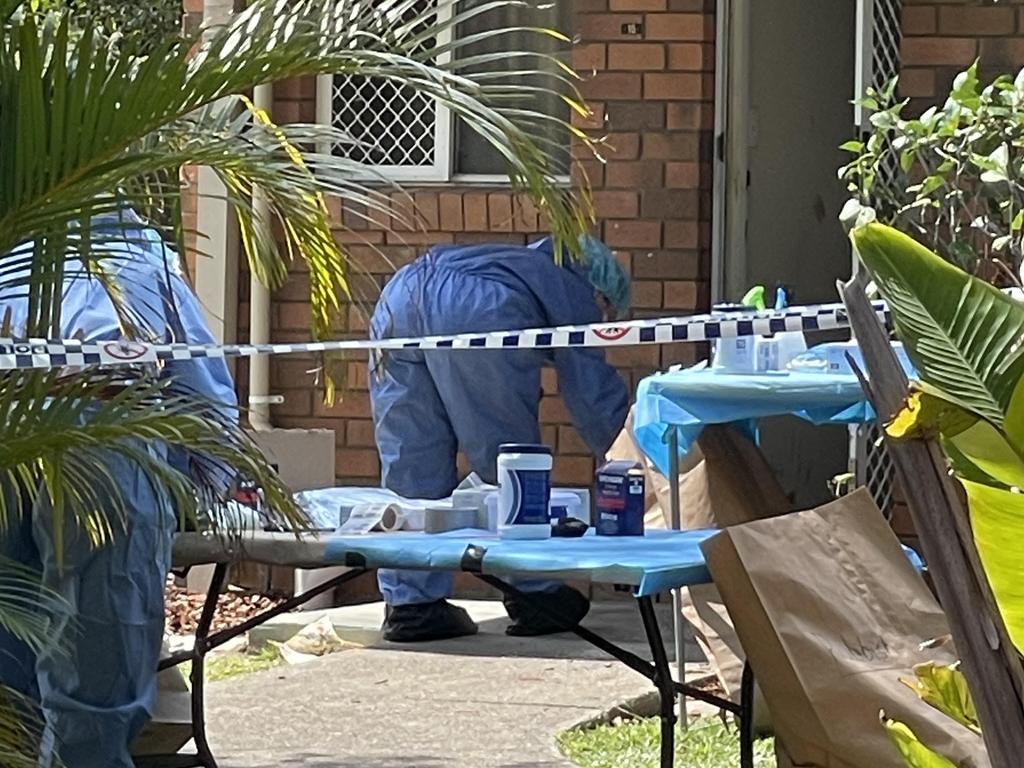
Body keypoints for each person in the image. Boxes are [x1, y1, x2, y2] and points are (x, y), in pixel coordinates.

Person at [0, 210, 237, 768]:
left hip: (11, 426)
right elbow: (198, 389)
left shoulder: (11, 238)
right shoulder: (138, 256)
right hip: (105, 436)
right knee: (97, 646)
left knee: (11, 631)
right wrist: (214, 489)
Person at [369, 234, 631, 642]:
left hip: (398, 297)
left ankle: (411, 604)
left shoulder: (515, 264)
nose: (602, 321)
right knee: (508, 458)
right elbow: (590, 390)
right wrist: (631, 456)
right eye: (607, 311)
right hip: (476, 307)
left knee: (411, 460)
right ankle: (533, 595)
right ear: (599, 291)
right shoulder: (574, 284)